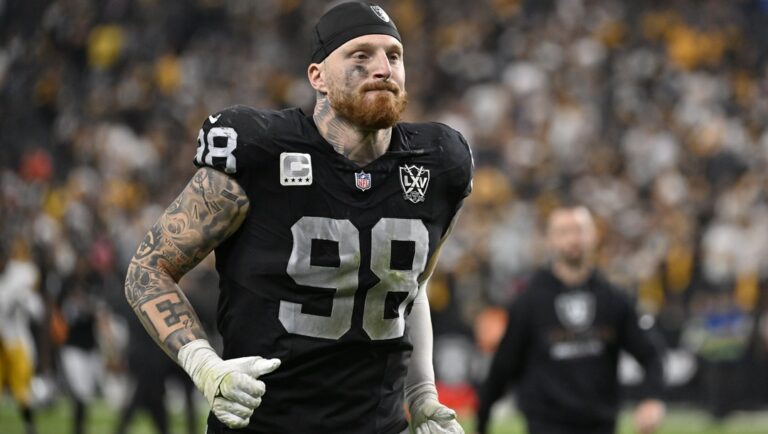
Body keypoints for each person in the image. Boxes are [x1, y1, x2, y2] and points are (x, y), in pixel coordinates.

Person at [123, 2, 473, 433]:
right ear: (317, 77)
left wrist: (422, 396)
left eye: (394, 55)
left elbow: (413, 289)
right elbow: (149, 269)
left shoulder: (439, 162)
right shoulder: (261, 151)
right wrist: (205, 364)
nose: (383, 68)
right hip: (266, 424)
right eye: (360, 55)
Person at [475, 206, 666, 434]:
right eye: (564, 232)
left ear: (594, 236)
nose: (573, 239)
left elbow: (652, 354)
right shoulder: (529, 301)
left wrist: (651, 399)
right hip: (546, 427)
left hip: (600, 426)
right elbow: (503, 366)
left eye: (580, 230)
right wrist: (482, 422)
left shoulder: (614, 298)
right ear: (549, 240)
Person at [0, 240, 43, 434]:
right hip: (6, 340)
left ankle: (29, 427)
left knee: (21, 390)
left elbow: (37, 311)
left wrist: (24, 298)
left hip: (15, 339)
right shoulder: (12, 282)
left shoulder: (15, 280)